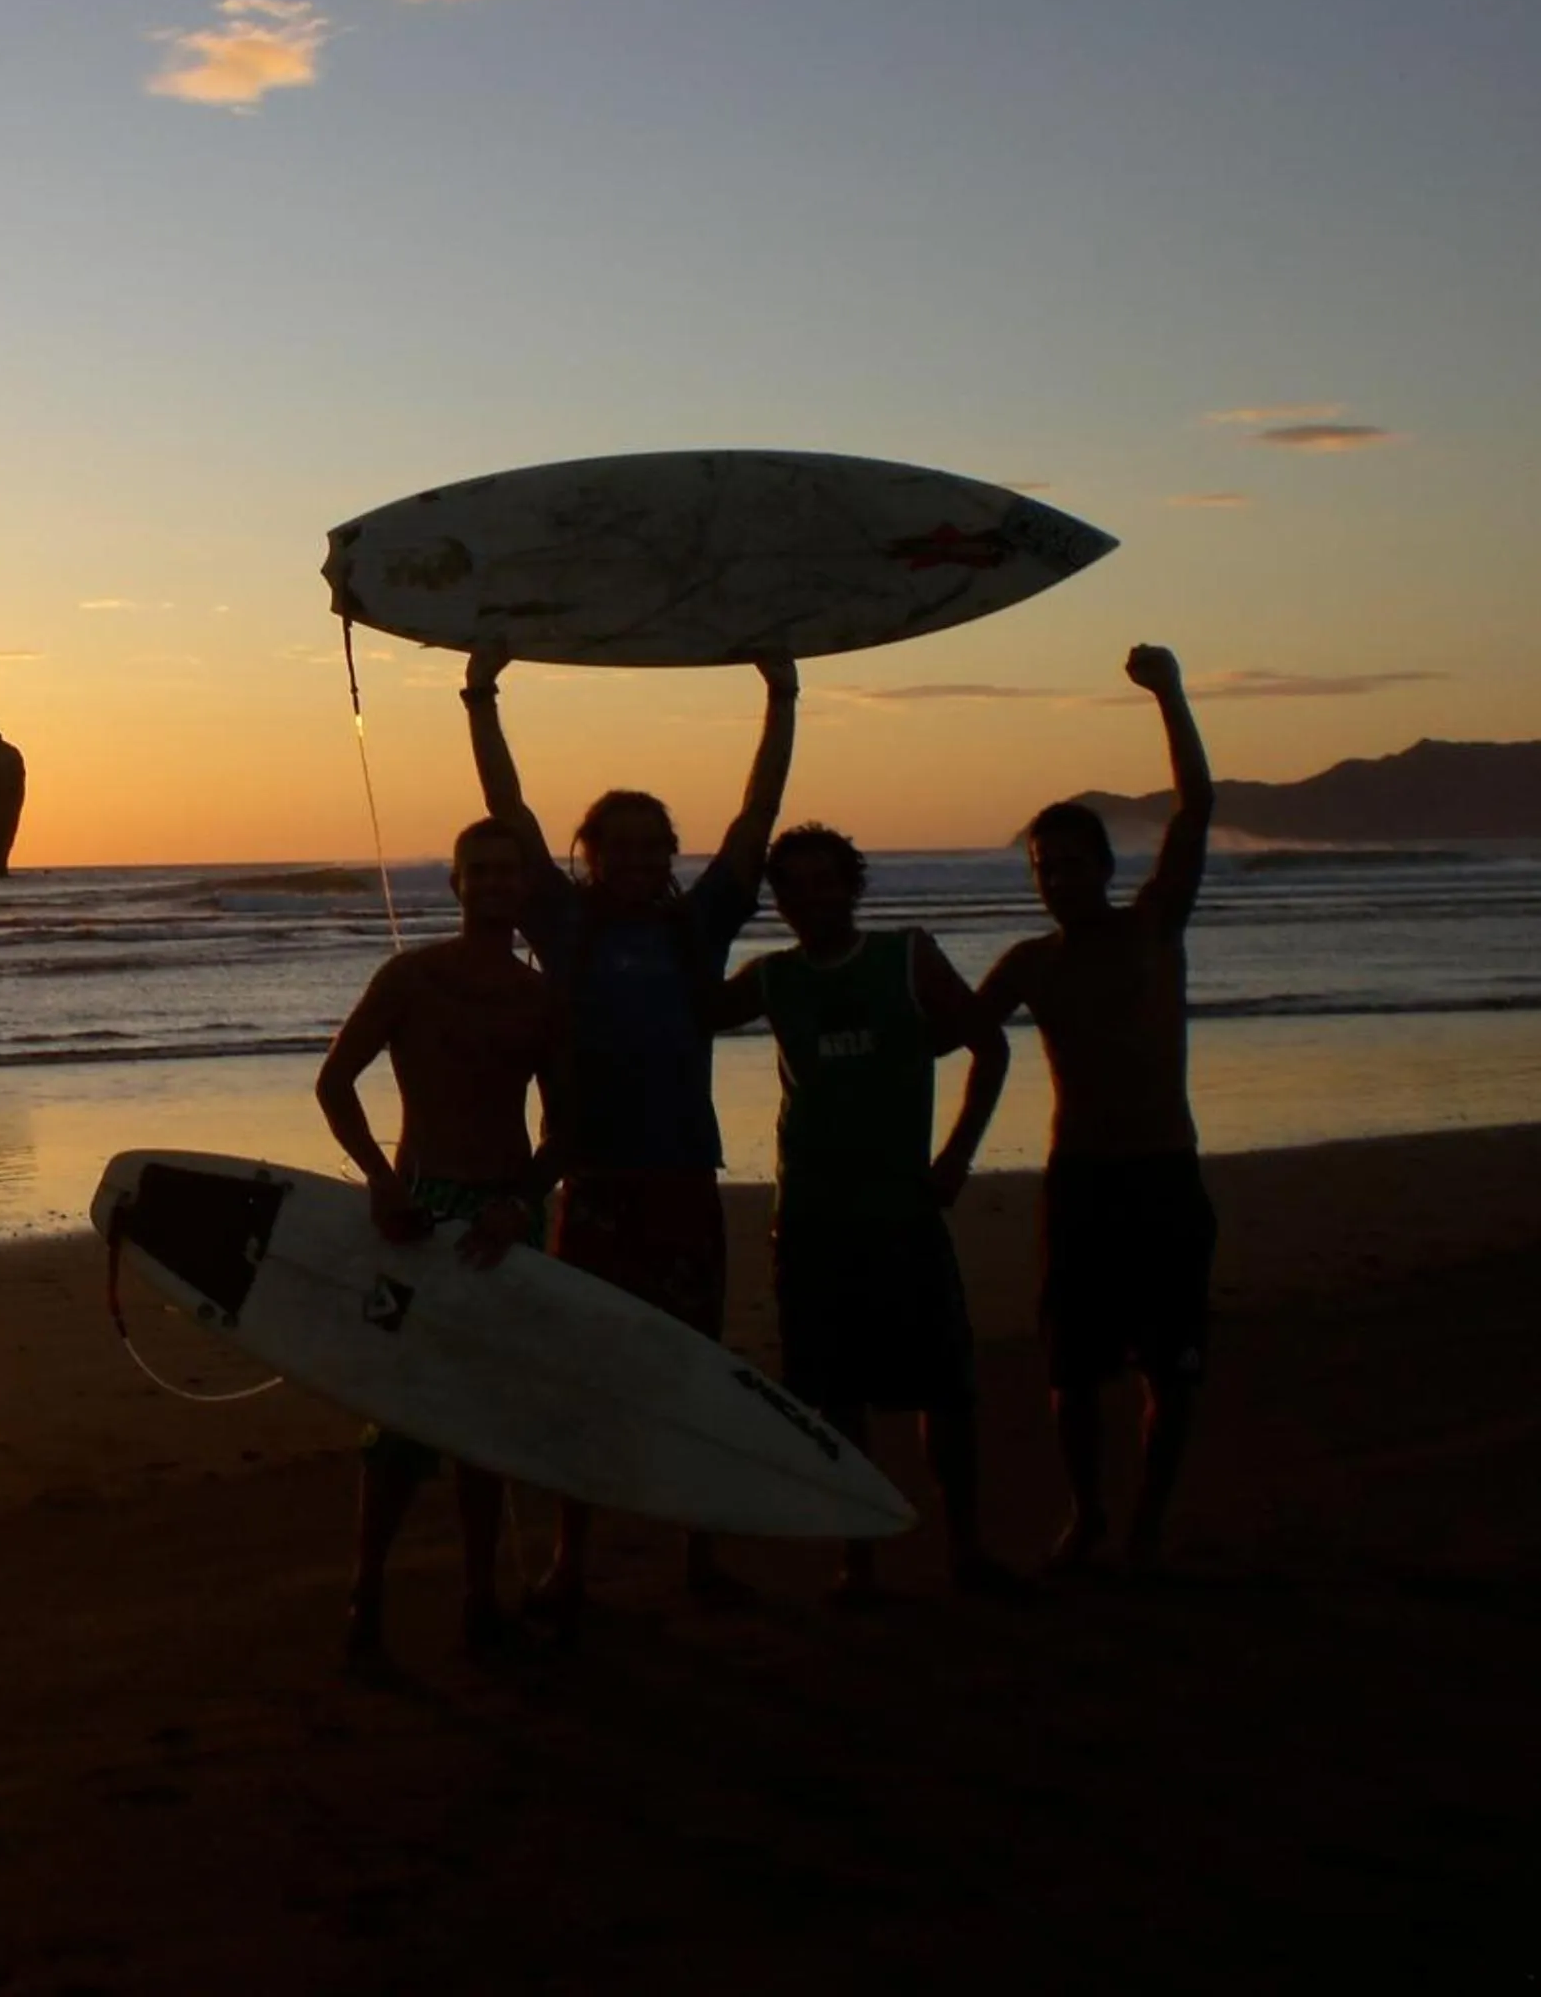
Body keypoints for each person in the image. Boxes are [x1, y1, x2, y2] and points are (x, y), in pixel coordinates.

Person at [462, 643, 797, 1622]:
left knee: (695, 1369)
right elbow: (510, 815)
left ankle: (698, 1552)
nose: (642, 863)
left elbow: (756, 820)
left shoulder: (698, 924)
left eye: (656, 849)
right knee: (584, 1374)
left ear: (670, 858)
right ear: (589, 856)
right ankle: (571, 1558)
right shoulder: (562, 924)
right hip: (595, 1185)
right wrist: (480, 695)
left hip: (683, 1181)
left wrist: (780, 694)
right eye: (622, 849)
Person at [714, 823, 1017, 1600]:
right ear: (776, 902)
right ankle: (859, 1558)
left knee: (944, 1392)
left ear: (853, 884)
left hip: (902, 1215)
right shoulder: (772, 977)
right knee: (836, 1398)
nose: (812, 899)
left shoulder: (905, 956)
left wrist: (954, 1158)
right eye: (793, 888)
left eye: (826, 881)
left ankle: (968, 1549)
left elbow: (989, 1046)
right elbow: (682, 1012)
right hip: (811, 1220)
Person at [977, 643, 1217, 1573]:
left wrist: (1171, 694)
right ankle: (1088, 1514)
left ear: (1103, 867)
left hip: (1163, 1175)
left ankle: (1147, 1521)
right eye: (1043, 867)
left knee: (1172, 1367)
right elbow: (953, 1026)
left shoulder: (1154, 924)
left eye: (1072, 863)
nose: (1057, 878)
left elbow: (1196, 808)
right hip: (1079, 1184)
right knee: (1071, 1372)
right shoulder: (1032, 962)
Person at [316, 816, 559, 1665]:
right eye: (479, 871)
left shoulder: (541, 998)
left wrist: (522, 1203)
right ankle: (366, 1594)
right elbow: (335, 1082)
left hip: (504, 1220)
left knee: (486, 1420)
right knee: (397, 1419)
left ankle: (479, 1597)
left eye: (509, 872)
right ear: (455, 883)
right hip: (416, 1216)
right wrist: (382, 1182)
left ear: (527, 888)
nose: (494, 884)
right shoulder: (411, 978)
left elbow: (567, 1125)